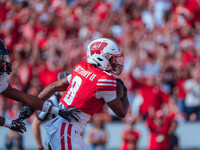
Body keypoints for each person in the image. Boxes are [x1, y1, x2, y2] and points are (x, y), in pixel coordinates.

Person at [21, 38, 129, 149]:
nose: (116, 63)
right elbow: (122, 113)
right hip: (66, 130)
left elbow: (54, 86)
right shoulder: (104, 80)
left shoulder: (81, 67)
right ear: (101, 57)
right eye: (112, 58)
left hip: (65, 129)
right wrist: (124, 91)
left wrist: (31, 106)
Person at [0, 39, 79, 133]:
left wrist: (58, 111)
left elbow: (25, 98)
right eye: (1, 58)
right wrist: (9, 123)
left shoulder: (2, 77)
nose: (4, 62)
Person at [32, 71, 69, 150]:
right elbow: (35, 124)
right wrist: (40, 147)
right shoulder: (51, 102)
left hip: (70, 141)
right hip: (56, 144)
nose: (67, 89)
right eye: (65, 85)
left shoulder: (72, 98)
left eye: (69, 85)